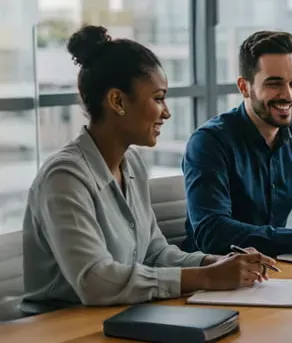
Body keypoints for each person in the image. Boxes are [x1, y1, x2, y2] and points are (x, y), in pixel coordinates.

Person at [20, 25, 275, 315]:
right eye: (157, 98)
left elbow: (154, 253)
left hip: (120, 316)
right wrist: (205, 278)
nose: (166, 112)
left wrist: (213, 262)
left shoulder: (133, 166)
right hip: (59, 328)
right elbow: (95, 280)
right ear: (117, 101)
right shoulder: (64, 177)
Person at [181, 30, 292, 256]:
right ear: (244, 87)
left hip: (274, 272)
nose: (288, 95)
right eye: (274, 84)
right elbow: (212, 232)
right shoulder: (209, 142)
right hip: (217, 275)